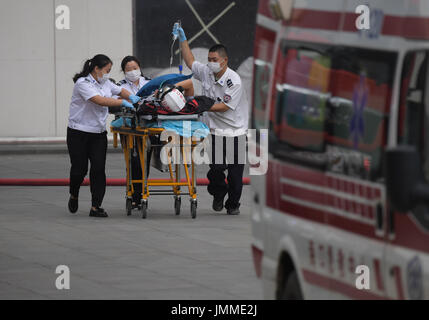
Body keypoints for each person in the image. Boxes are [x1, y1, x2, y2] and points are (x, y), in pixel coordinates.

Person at [173, 25, 249, 215]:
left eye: (215, 60)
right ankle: (218, 193)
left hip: (235, 132)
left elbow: (224, 107)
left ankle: (233, 204)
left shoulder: (235, 81)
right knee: (215, 170)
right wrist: (183, 39)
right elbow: (190, 61)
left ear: (225, 61)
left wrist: (201, 105)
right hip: (213, 131)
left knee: (235, 175)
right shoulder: (206, 71)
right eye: (209, 60)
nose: (211, 63)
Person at [67, 54, 141, 218]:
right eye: (107, 70)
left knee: (99, 169)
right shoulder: (83, 84)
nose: (108, 74)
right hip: (78, 132)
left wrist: (132, 97)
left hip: (98, 133)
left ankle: (96, 206)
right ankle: (74, 193)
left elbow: (120, 90)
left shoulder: (105, 82)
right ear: (96, 69)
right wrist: (122, 102)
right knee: (80, 170)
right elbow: (99, 100)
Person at [116, 56, 195, 209]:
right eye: (128, 69)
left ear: (139, 68)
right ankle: (136, 195)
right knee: (135, 161)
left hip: (151, 124)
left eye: (135, 68)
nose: (132, 72)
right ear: (123, 71)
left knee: (146, 158)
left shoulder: (150, 83)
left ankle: (143, 192)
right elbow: (116, 103)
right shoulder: (120, 87)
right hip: (131, 127)